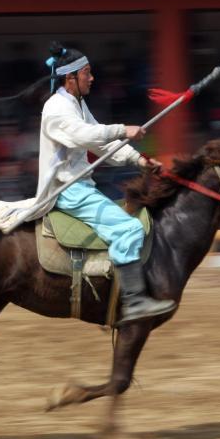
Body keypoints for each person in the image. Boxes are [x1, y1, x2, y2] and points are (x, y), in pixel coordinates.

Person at [34, 42, 176, 326]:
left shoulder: (77, 103)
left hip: (81, 187)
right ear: (70, 78)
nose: (92, 78)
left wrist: (140, 161)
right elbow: (86, 136)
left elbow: (103, 145)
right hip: (67, 191)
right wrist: (124, 128)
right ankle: (134, 303)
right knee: (129, 228)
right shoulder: (56, 108)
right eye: (87, 73)